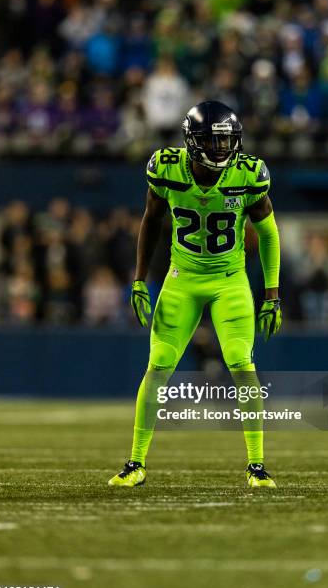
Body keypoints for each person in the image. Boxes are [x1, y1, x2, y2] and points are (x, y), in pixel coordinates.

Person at [109, 101, 282, 488]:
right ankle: (135, 463)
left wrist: (272, 294)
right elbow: (151, 220)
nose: (223, 149)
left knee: (241, 363)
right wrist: (139, 280)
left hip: (229, 280)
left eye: (227, 141)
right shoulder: (167, 168)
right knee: (159, 364)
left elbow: (269, 233)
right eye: (215, 141)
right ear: (193, 141)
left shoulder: (248, 173)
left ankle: (257, 466)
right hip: (181, 278)